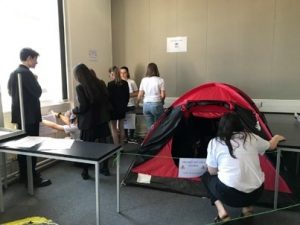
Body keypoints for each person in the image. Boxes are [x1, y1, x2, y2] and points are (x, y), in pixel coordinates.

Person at [202, 112, 285, 223]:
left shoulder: (215, 143)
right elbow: (271, 145)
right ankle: (247, 209)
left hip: (229, 195)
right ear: (240, 125)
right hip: (256, 193)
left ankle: (222, 213)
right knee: (247, 174)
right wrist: (276, 137)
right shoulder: (252, 137)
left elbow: (212, 172)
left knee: (206, 176)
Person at [7, 47, 51, 187]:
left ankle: (24, 176)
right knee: (32, 147)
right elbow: (37, 92)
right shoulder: (27, 74)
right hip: (30, 117)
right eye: (35, 59)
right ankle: (33, 179)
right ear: (29, 58)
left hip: (21, 117)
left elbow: (10, 92)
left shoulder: (13, 73)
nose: (36, 62)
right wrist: (36, 80)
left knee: (22, 148)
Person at [72, 63, 112, 179]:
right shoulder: (100, 83)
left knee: (86, 148)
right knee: (104, 146)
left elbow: (83, 106)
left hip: (88, 123)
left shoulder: (80, 87)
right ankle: (105, 168)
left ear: (79, 75)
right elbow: (106, 99)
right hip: (102, 120)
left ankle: (85, 171)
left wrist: (75, 110)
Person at [137, 63, 165, 130]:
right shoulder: (160, 80)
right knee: (159, 125)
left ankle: (151, 139)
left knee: (150, 127)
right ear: (156, 70)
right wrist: (162, 102)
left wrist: (137, 103)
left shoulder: (144, 80)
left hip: (146, 105)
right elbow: (163, 95)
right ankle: (159, 139)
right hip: (156, 104)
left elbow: (140, 94)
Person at [107, 66, 130, 145]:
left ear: (113, 74)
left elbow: (108, 98)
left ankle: (116, 148)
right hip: (122, 108)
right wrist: (124, 105)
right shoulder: (125, 83)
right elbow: (127, 96)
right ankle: (122, 146)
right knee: (121, 127)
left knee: (113, 128)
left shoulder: (110, 84)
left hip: (113, 109)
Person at [120, 66, 138, 143]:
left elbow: (137, 93)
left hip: (131, 105)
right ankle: (125, 137)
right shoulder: (118, 82)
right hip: (121, 106)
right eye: (121, 73)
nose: (122, 74)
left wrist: (127, 95)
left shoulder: (131, 82)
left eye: (124, 73)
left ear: (127, 73)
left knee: (132, 122)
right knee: (123, 122)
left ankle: (131, 137)